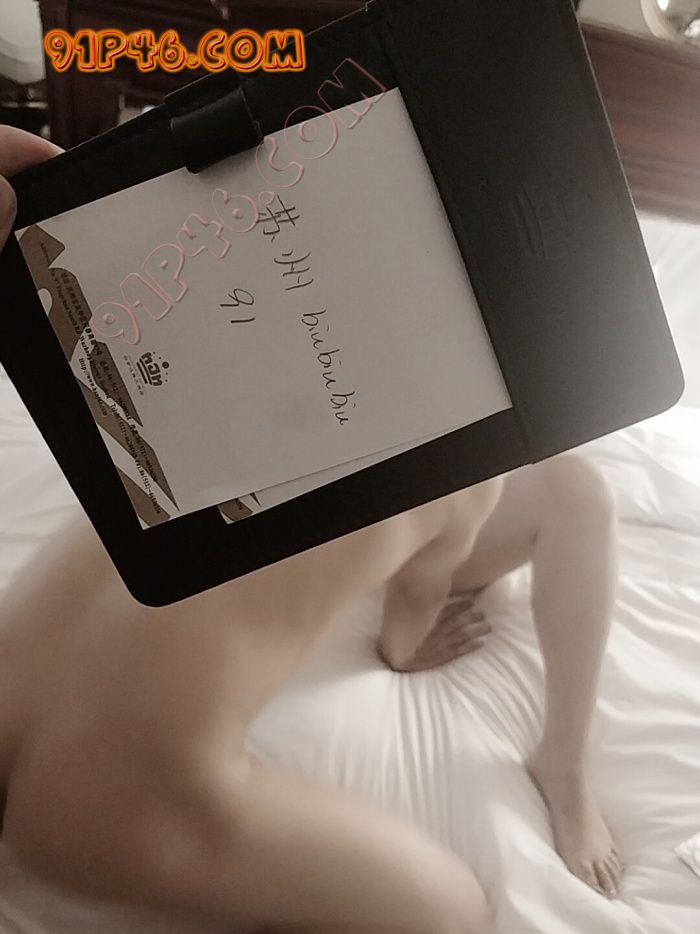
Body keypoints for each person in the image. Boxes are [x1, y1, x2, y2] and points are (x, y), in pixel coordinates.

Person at [0, 125, 621, 934]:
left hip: (14, 687)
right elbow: (403, 631)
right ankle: (564, 758)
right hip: (117, 802)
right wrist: (411, 644)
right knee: (456, 912)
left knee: (577, 488)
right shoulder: (469, 473)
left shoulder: (240, 358)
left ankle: (563, 761)